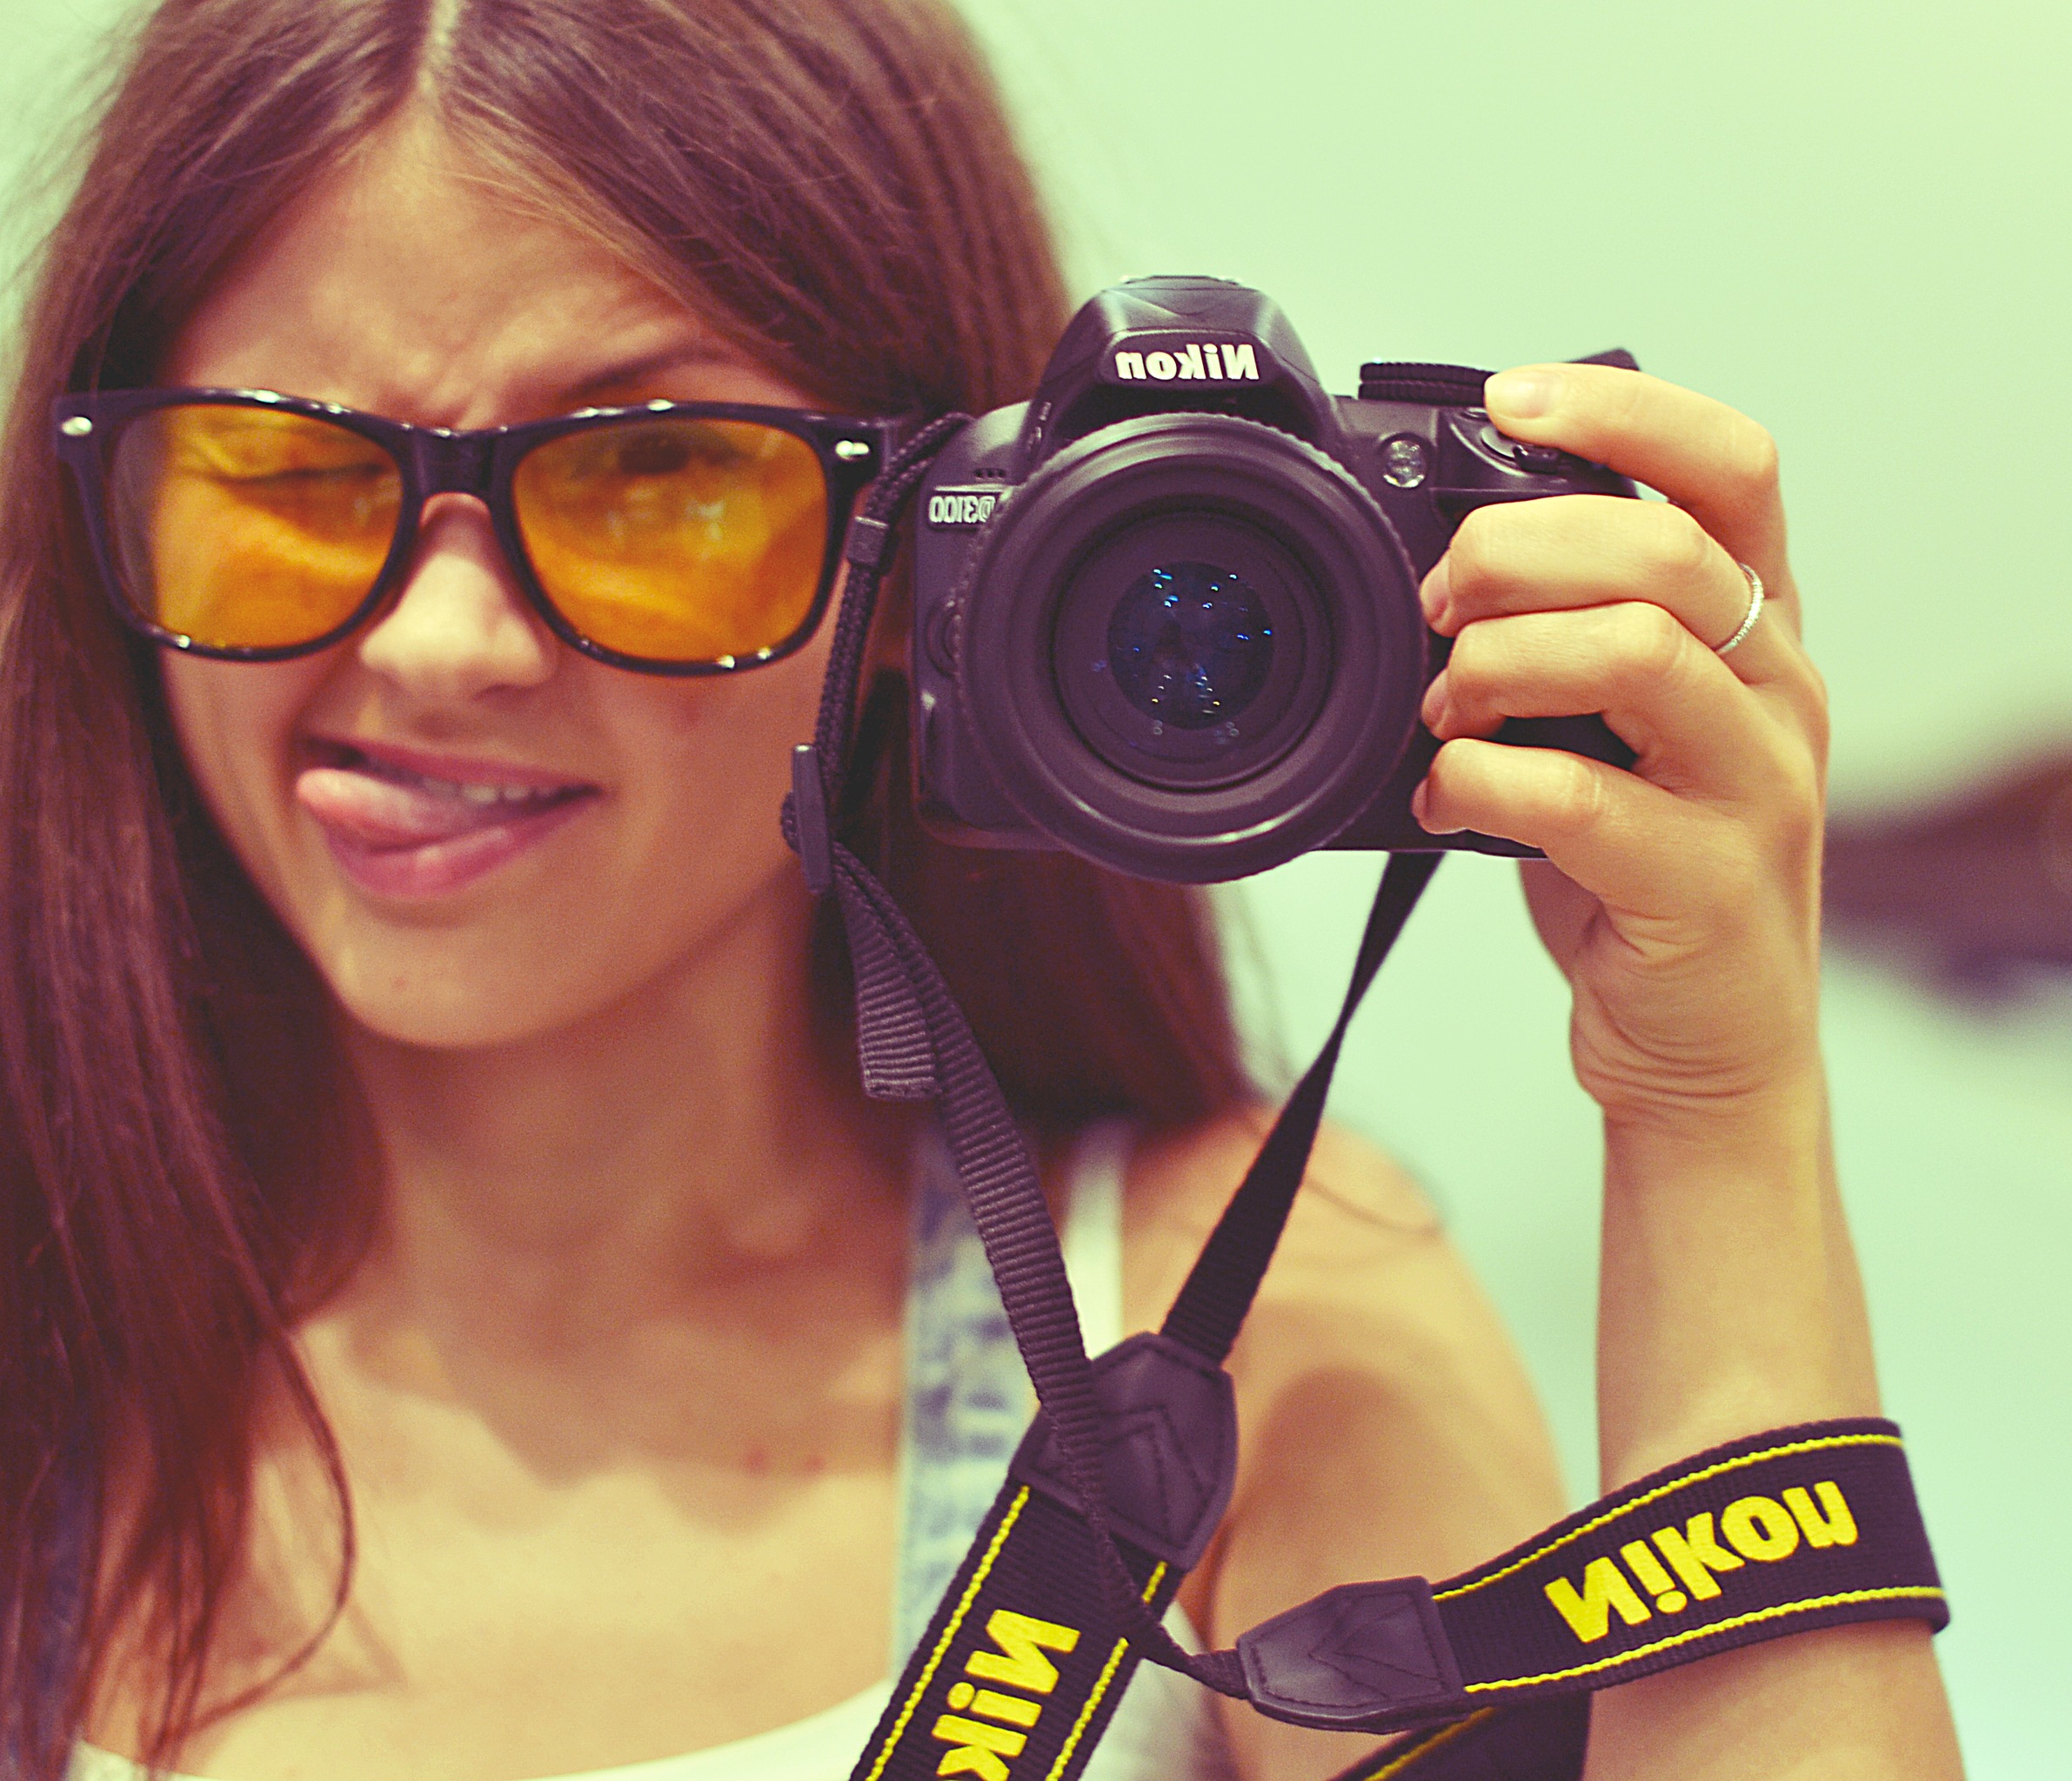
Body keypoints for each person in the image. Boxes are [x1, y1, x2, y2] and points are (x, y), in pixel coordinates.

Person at [0, 2, 1962, 1778]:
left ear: (928, 578)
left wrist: (1717, 1113)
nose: (438, 645)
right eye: (281, 475)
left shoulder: (1269, 1343)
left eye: (656, 478)